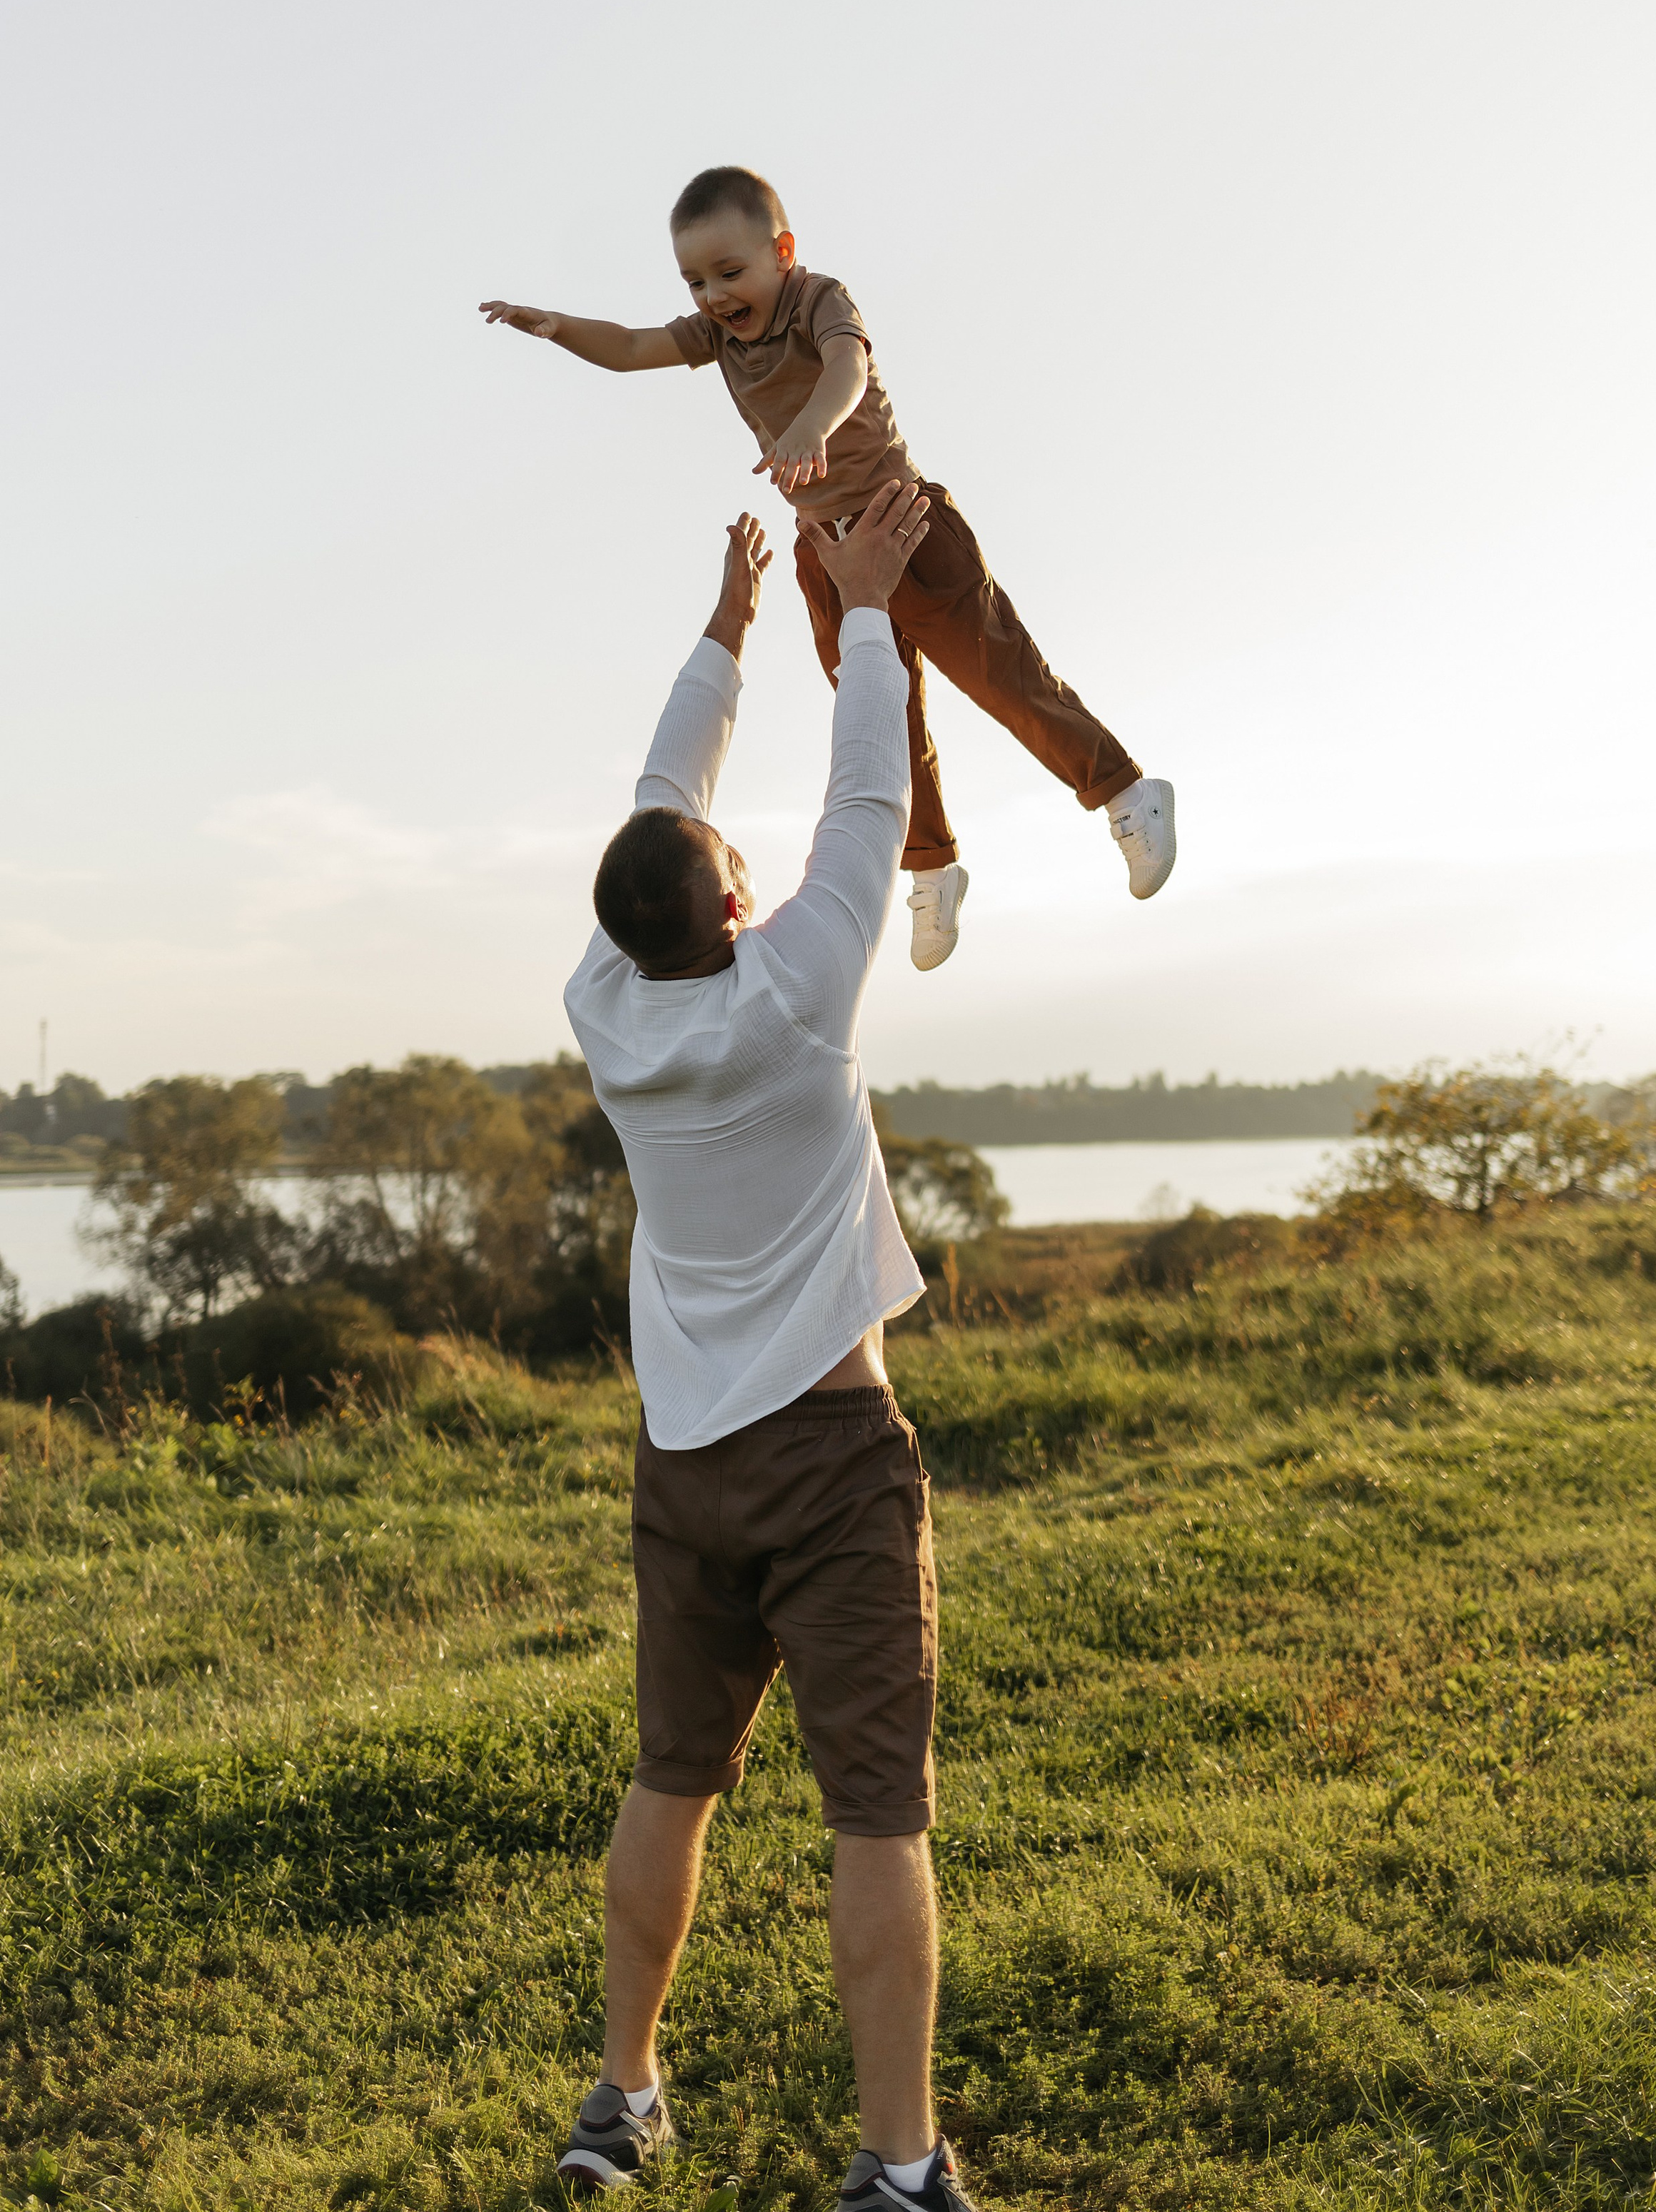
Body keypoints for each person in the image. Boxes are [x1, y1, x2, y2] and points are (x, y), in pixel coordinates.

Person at [557, 484, 977, 2211]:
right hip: (823, 1455)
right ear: (731, 907)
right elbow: (869, 795)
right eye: (735, 866)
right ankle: (895, 2168)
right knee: (874, 1811)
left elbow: (665, 802)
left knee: (672, 1778)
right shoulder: (794, 989)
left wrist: (734, 618)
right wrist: (861, 604)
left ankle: (618, 2095)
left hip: (685, 1469)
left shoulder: (604, 1001)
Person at [481, 162, 1175, 973]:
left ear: (783, 251)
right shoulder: (715, 333)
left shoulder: (818, 299)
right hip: (828, 554)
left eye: (730, 273)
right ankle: (932, 870)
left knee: (1002, 678)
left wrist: (810, 427)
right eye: (696, 280)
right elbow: (636, 347)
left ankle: (1126, 793)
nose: (713, 297)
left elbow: (846, 370)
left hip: (904, 526)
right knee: (883, 722)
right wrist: (559, 327)